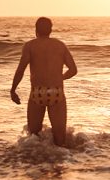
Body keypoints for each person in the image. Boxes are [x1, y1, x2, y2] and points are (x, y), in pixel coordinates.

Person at [11, 17, 77, 147]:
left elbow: (21, 70)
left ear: (36, 30)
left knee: (33, 137)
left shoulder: (30, 46)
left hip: (37, 92)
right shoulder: (60, 45)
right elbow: (73, 70)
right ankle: (60, 162)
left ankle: (36, 162)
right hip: (56, 92)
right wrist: (60, 78)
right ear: (51, 30)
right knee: (60, 140)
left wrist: (13, 90)